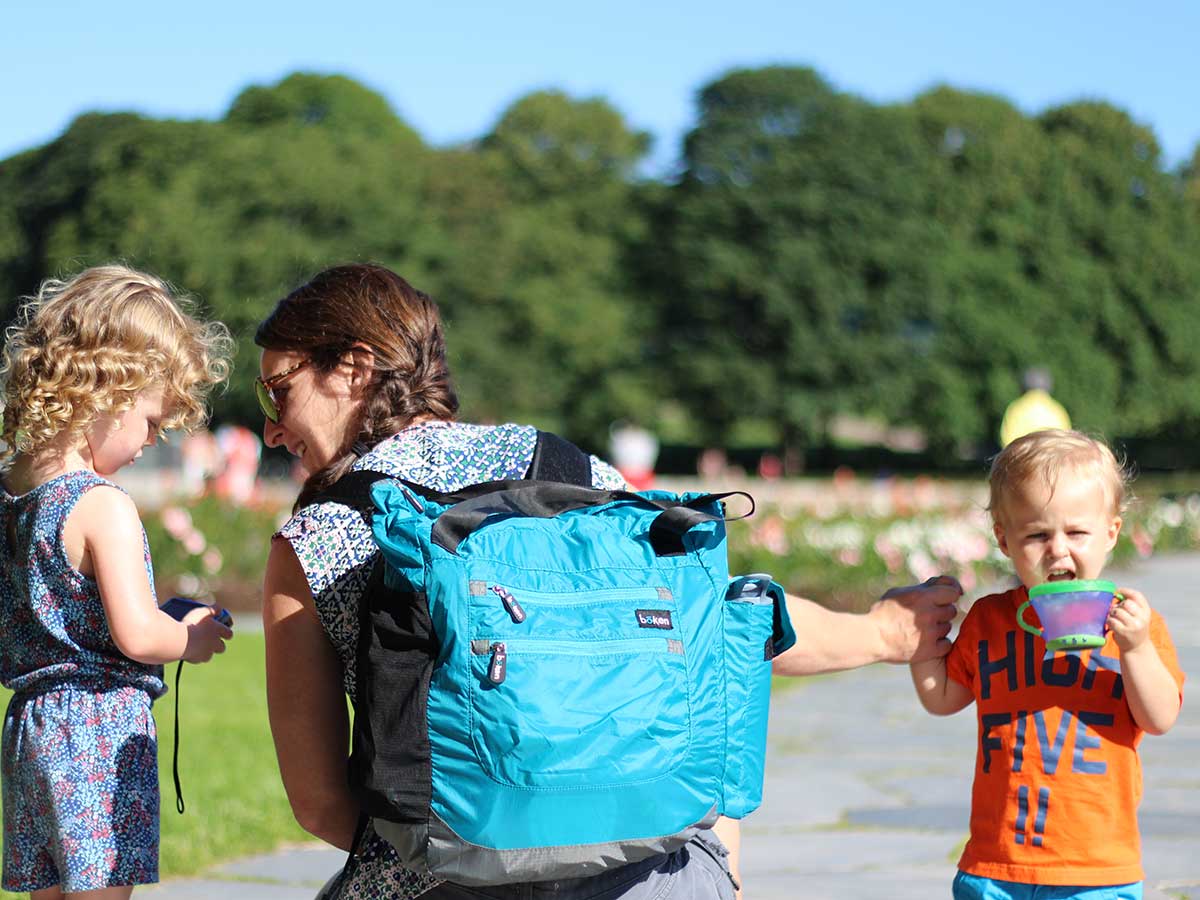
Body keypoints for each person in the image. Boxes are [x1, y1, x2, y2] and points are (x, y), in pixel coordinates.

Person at [256, 262, 961, 900]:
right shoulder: (563, 468)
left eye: (278, 391)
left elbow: (321, 804)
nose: (270, 429)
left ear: (353, 367)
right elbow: (714, 625)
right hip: (650, 873)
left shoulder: (317, 538)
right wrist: (884, 631)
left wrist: (485, 850)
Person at [0, 265, 235, 899]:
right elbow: (136, 633)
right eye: (153, 422)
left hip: (31, 727)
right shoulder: (104, 502)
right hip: (98, 731)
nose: (150, 442)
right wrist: (190, 636)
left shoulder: (14, 494)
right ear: (107, 388)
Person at [909, 429, 1185, 900]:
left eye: (1077, 532)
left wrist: (1136, 649)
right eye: (1037, 534)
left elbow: (1159, 719)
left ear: (1111, 533)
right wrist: (919, 639)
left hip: (1096, 869)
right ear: (1004, 540)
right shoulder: (990, 620)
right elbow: (942, 697)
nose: (1058, 549)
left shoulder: (1134, 622)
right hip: (997, 864)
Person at [999, 367, 1071, 448]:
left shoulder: (1016, 408)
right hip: (1053, 458)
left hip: (1022, 457)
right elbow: (1066, 440)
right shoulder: (1058, 409)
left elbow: (1007, 439)